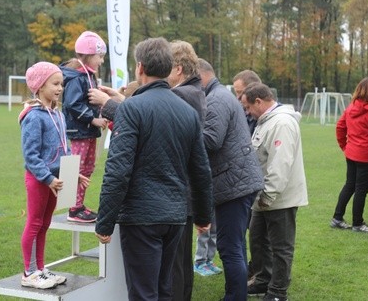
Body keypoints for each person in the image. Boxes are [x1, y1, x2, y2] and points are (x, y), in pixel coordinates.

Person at [94, 37, 213, 301]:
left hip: (142, 217)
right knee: (163, 290)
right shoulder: (186, 111)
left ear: (140, 68)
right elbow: (201, 171)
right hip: (174, 216)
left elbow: (118, 170)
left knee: (144, 293)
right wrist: (204, 215)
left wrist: (104, 221)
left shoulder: (132, 109)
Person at [197, 58, 264, 301]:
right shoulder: (220, 96)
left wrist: (185, 134)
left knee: (229, 248)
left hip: (234, 185)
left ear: (201, 75)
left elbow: (212, 140)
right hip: (237, 182)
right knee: (235, 244)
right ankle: (238, 292)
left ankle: (235, 296)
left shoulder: (216, 99)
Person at [19, 62, 89, 289]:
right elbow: (31, 157)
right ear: (39, 86)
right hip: (40, 181)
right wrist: (48, 179)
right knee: (34, 222)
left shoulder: (58, 114)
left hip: (56, 181)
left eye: (62, 84)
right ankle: (29, 273)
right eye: (55, 84)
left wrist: (73, 173)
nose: (60, 88)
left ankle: (40, 269)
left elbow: (65, 148)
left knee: (45, 223)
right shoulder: (33, 117)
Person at [240, 83, 308, 301]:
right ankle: (263, 279)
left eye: (248, 107)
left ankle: (278, 291)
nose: (247, 112)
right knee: (258, 240)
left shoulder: (282, 123)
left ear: (258, 101)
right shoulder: (266, 122)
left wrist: (268, 195)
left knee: (281, 247)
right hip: (262, 197)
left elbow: (281, 163)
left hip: (280, 198)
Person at [167, 40, 209, 301]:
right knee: (181, 258)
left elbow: (150, 112)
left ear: (179, 69)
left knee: (175, 262)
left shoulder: (182, 95)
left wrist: (112, 104)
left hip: (179, 191)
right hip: (186, 191)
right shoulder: (194, 92)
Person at [330, 77, 368, 233]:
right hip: (367, 155)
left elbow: (340, 127)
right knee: (361, 189)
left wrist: (345, 146)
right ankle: (358, 223)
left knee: (350, 185)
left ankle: (337, 218)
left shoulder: (350, 108)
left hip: (352, 153)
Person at [61, 31, 108, 223]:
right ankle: (73, 209)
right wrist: (92, 119)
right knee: (78, 168)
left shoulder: (88, 76)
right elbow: (72, 104)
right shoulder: (76, 77)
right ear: (88, 55)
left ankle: (79, 205)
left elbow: (87, 100)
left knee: (88, 167)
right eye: (100, 57)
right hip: (78, 132)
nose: (102, 61)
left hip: (87, 131)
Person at [232, 69, 263, 281]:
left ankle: (259, 270)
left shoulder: (260, 118)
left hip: (256, 182)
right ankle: (252, 268)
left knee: (259, 232)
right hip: (243, 180)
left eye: (240, 93)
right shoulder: (243, 113)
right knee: (247, 230)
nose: (237, 98)